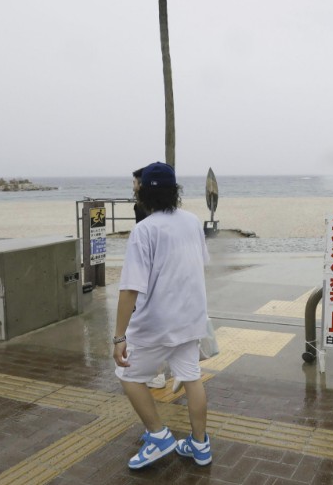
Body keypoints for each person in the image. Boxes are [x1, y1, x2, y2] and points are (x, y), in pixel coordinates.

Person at [113, 162, 212, 469]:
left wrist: (119, 336)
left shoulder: (145, 230)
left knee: (128, 375)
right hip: (191, 318)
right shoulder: (193, 221)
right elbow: (200, 263)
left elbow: (130, 289)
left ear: (143, 194)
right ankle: (199, 445)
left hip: (156, 323)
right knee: (192, 378)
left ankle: (159, 436)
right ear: (175, 192)